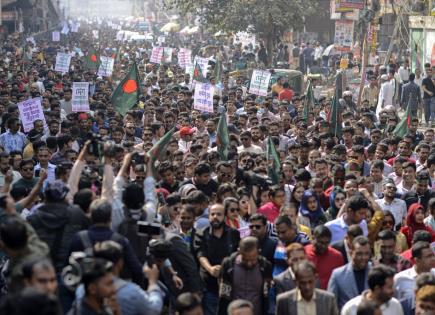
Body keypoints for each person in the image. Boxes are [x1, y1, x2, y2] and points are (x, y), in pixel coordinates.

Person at [74, 241, 164, 315]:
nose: (114, 289)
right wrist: (153, 283)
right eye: (109, 284)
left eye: (112, 283)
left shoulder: (81, 290)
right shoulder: (131, 291)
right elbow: (153, 310)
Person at [194, 203, 240, 315]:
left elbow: (237, 254)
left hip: (229, 283)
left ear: (224, 217)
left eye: (219, 214)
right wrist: (210, 269)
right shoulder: (201, 233)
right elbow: (201, 254)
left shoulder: (233, 233)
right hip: (209, 283)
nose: (215, 217)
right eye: (212, 214)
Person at [217, 236, 272, 315]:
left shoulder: (265, 266)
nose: (249, 263)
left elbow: (267, 294)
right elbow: (223, 295)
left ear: (259, 251)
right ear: (239, 251)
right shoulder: (228, 265)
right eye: (245, 259)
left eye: (253, 259)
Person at [328, 236, 371, 309]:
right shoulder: (338, 275)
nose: (363, 257)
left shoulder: (375, 272)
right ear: (351, 253)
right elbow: (330, 306)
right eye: (359, 254)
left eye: (366, 254)